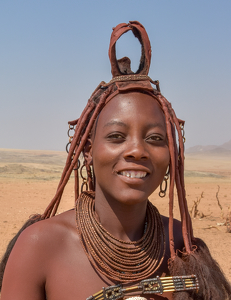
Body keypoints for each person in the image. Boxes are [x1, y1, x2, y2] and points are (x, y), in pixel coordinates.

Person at [0, 21, 231, 300]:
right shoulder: (40, 246)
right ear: (88, 150)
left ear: (172, 156)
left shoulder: (183, 248)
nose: (137, 151)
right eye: (117, 136)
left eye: (156, 139)